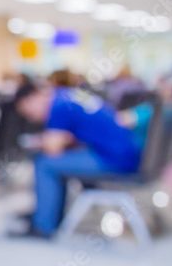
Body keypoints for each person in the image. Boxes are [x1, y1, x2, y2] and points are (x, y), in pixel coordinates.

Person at [13, 81, 142, 238]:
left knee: (44, 163)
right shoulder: (68, 94)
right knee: (58, 162)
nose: (32, 119)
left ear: (33, 97)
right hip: (125, 153)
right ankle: (49, 214)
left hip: (113, 159)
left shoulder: (58, 106)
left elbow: (53, 149)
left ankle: (43, 227)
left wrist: (36, 141)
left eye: (29, 113)